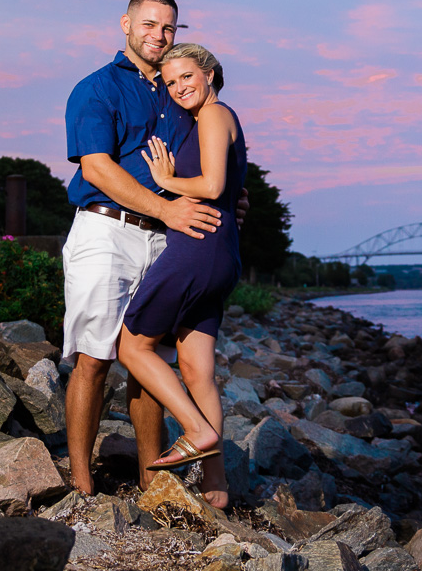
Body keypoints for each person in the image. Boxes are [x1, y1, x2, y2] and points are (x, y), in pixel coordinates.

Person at [61, 0, 225, 498]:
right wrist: (165, 207)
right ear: (126, 25)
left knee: (145, 354)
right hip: (106, 230)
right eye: (149, 24)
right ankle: (83, 486)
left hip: (167, 238)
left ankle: (152, 481)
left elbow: (212, 153)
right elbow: (97, 167)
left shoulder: (179, 90)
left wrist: (232, 200)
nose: (159, 35)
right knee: (95, 356)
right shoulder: (96, 89)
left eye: (169, 28)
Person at [118, 42, 246, 510]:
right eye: (170, 82)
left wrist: (166, 182)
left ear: (209, 73)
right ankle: (216, 487)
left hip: (196, 248)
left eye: (187, 76)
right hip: (222, 253)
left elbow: (211, 186)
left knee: (131, 345)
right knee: (196, 370)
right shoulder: (212, 121)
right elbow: (230, 188)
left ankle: (195, 430)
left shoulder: (214, 114)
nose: (178, 87)